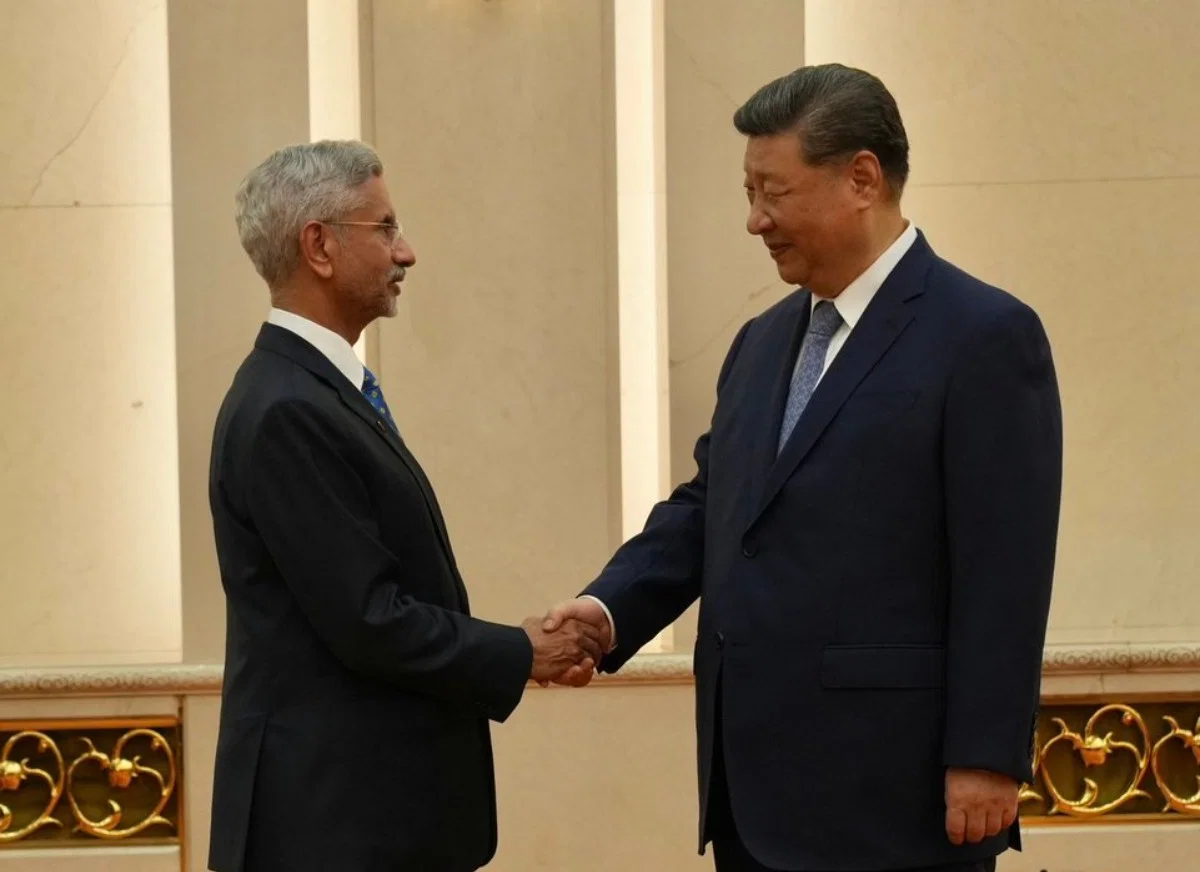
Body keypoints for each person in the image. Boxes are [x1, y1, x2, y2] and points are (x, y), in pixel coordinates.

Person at [545, 64, 1062, 872]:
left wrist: (987, 755)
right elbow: (713, 508)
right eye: (748, 192)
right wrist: (608, 609)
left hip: (897, 801)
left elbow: (1006, 565)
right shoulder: (760, 343)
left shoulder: (983, 335)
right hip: (751, 798)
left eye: (773, 192)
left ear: (862, 178)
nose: (755, 220)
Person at [206, 140, 602, 872]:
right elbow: (368, 620)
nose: (406, 252)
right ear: (319, 246)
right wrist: (523, 652)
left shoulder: (312, 392)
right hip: (332, 827)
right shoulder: (288, 408)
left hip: (363, 817)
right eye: (384, 227)